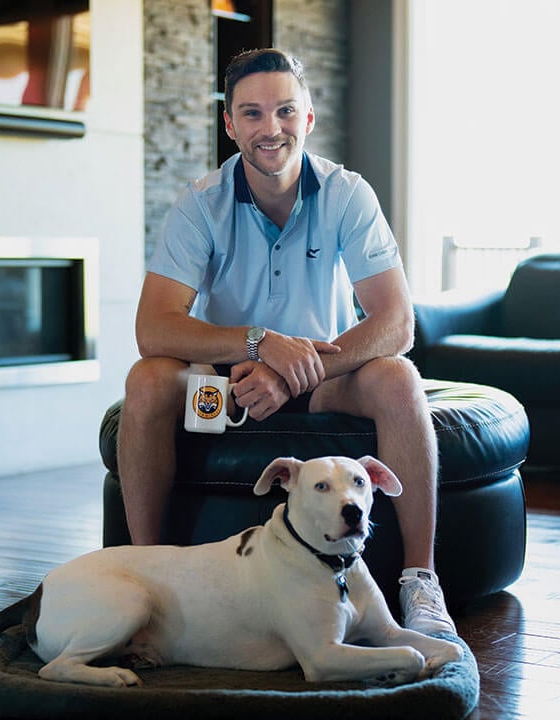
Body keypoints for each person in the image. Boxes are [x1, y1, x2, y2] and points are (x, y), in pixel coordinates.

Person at [117, 48, 453, 635]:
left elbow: (397, 322)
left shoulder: (349, 195)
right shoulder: (199, 204)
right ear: (229, 125)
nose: (269, 129)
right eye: (251, 114)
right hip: (224, 386)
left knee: (399, 375)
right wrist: (259, 344)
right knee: (146, 380)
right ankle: (146, 571)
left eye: (284, 111)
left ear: (309, 119)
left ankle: (420, 581)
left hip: (325, 378)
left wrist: (295, 369)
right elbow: (154, 329)